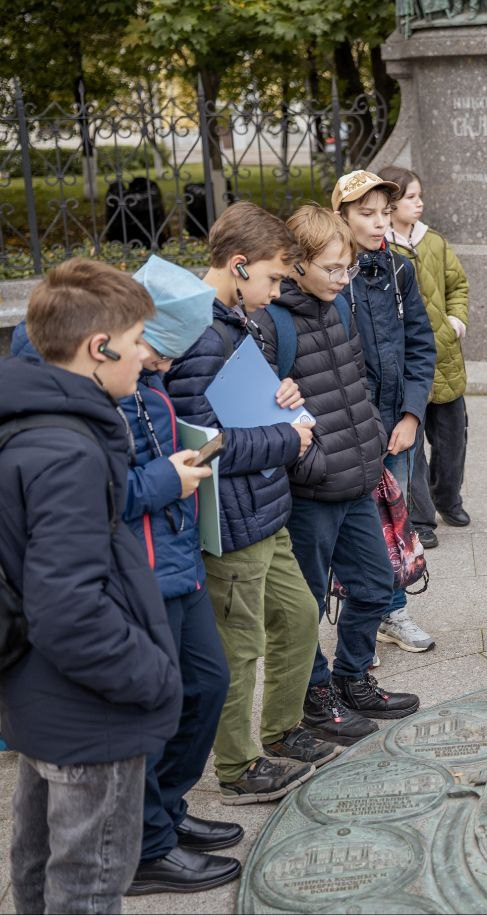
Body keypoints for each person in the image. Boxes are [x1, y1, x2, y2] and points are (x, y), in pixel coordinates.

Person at [0, 259, 182, 914]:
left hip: (40, 697)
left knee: (39, 868)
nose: (146, 355)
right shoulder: (68, 452)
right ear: (97, 348)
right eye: (136, 341)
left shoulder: (27, 416)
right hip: (91, 712)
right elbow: (68, 610)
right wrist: (153, 677)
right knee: (87, 885)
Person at [166, 202, 339, 805]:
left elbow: (243, 404)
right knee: (239, 648)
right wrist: (286, 438)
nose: (275, 293)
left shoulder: (236, 318)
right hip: (234, 521)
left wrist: (280, 396)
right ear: (238, 267)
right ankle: (239, 767)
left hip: (266, 509)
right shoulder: (197, 335)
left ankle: (283, 729)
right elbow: (205, 443)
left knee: (296, 618)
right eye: (270, 279)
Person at [259, 203, 420, 743]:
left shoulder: (341, 306)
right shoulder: (270, 323)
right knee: (305, 607)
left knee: (376, 586)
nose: (342, 278)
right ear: (296, 264)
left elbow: (356, 381)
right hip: (311, 491)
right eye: (331, 268)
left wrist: (372, 444)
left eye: (346, 267)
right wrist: (312, 462)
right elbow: (264, 411)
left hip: (357, 476)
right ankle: (316, 694)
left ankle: (353, 677)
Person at [333, 170, 438, 655]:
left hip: (396, 422)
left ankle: (393, 610)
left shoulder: (399, 270)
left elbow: (420, 345)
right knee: (355, 528)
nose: (379, 223)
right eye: (365, 214)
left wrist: (412, 414)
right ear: (341, 217)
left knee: (396, 523)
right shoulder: (329, 277)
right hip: (349, 427)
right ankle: (360, 619)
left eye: (382, 213)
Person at [383, 165, 472, 555]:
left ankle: (448, 498)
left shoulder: (434, 242)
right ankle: (421, 517)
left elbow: (458, 285)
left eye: (420, 195)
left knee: (453, 439)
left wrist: (456, 320)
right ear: (391, 203)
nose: (419, 203)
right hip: (409, 365)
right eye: (411, 197)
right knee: (413, 447)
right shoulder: (380, 247)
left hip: (446, 357)